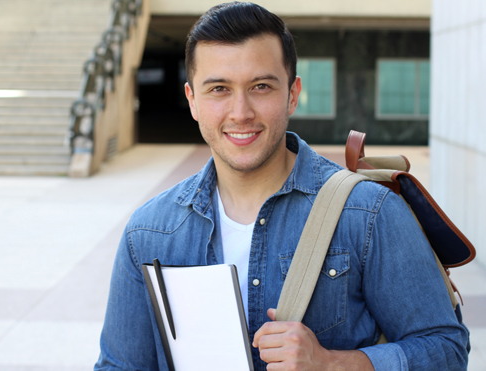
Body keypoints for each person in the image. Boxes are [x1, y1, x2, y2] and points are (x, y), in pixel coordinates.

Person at [95, 2, 470, 370]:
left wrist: (332, 364)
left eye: (260, 86)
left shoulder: (368, 213)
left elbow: (447, 350)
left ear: (292, 93)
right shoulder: (147, 232)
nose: (240, 112)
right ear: (192, 100)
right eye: (219, 89)